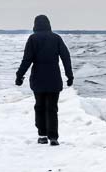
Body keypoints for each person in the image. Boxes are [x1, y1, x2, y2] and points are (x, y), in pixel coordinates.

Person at [14, 13, 74, 145]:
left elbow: (27, 60)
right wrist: (69, 75)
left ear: (35, 25)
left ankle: (42, 136)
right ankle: (53, 137)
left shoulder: (33, 39)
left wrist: (19, 75)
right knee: (52, 108)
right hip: (54, 79)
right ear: (49, 24)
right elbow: (66, 58)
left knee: (39, 106)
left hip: (38, 79)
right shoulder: (56, 38)